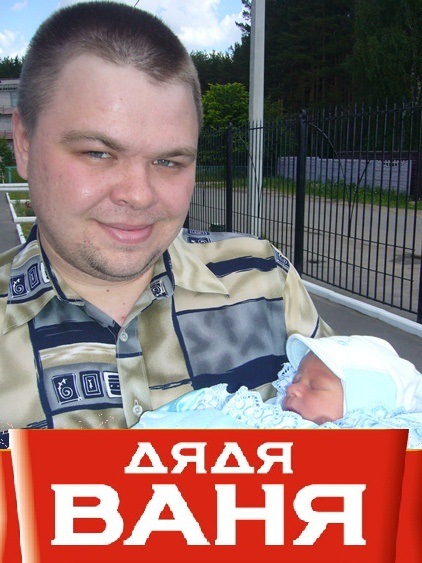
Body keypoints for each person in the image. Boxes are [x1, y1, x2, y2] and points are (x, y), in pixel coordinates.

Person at [0, 1, 332, 445]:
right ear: (24, 143)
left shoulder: (266, 283)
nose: (139, 195)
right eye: (98, 153)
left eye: (168, 161)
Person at [134, 335, 422, 448]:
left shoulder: (385, 445)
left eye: (314, 385)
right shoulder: (258, 415)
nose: (292, 388)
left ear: (365, 406)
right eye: (296, 377)